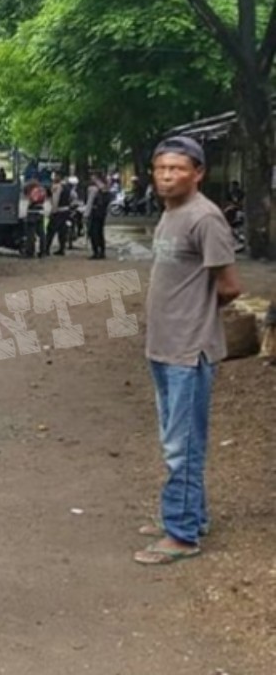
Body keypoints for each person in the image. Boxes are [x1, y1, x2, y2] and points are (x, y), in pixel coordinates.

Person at [135, 135, 240, 566]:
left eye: (177, 169)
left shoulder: (205, 218)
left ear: (198, 173)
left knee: (183, 443)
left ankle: (181, 534)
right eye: (161, 168)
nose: (167, 176)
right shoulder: (171, 213)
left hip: (189, 349)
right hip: (163, 345)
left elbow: (231, 287)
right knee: (175, 438)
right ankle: (189, 516)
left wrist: (196, 316)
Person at [85, 173, 110, 260]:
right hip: (102, 213)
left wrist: (86, 214)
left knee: (93, 232)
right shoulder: (105, 188)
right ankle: (102, 251)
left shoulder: (93, 188)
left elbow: (90, 202)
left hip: (94, 213)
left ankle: (96, 251)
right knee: (100, 232)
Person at [23, 180, 47, 259]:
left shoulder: (34, 191)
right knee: (41, 233)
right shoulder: (42, 190)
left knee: (31, 234)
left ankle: (30, 252)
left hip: (33, 211)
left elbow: (33, 199)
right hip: (40, 211)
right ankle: (43, 251)